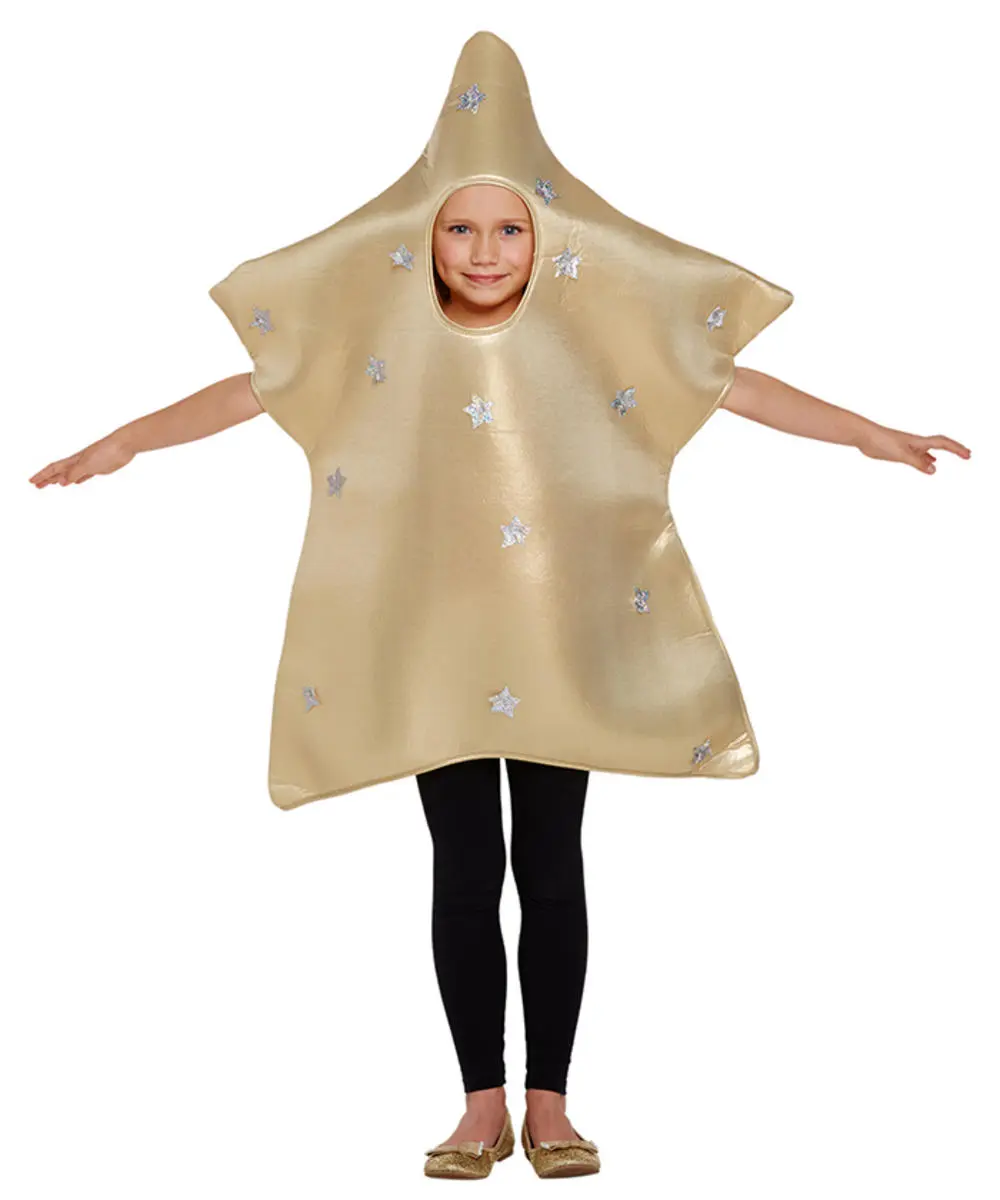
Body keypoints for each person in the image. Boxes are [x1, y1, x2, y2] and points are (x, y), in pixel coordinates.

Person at [29, 30, 972, 1181]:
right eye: (461, 229)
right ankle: (480, 1105)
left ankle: (551, 1104)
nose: (484, 252)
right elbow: (252, 388)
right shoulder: (378, 337)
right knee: (466, 866)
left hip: (555, 638)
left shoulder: (587, 329)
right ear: (421, 237)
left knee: (553, 861)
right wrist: (125, 440)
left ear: (546, 237)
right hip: (436, 642)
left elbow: (729, 382)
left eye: (509, 229)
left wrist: (868, 433)